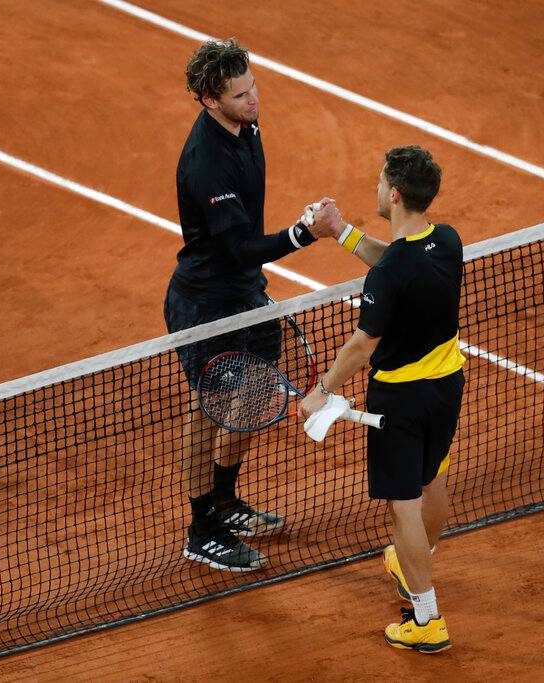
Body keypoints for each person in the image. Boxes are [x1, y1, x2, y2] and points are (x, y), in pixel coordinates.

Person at [165, 38, 336, 572]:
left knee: (256, 386)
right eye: (239, 96)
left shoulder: (246, 124)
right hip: (204, 306)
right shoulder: (205, 165)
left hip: (245, 293)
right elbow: (238, 246)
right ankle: (201, 529)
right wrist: (305, 233)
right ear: (208, 101)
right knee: (207, 408)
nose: (253, 100)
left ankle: (224, 500)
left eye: (252, 86)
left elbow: (244, 252)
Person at [299, 146, 465, 653]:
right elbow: (393, 263)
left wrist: (322, 391)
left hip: (400, 400)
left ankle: (427, 619)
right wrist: (341, 230)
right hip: (448, 384)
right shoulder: (447, 241)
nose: (376, 188)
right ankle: (414, 560)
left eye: (379, 182)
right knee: (432, 476)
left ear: (393, 194)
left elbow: (363, 343)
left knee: (402, 509)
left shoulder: (391, 274)